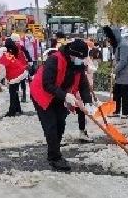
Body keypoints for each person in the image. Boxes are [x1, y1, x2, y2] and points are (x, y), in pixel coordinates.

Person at [30, 39, 95, 171]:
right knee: (51, 125)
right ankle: (54, 157)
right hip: (42, 93)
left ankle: (55, 150)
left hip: (60, 95)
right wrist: (65, 96)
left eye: (84, 58)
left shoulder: (78, 65)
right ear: (72, 54)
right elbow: (47, 84)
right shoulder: (54, 60)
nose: (82, 60)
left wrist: (88, 103)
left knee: (60, 123)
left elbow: (83, 86)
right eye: (80, 57)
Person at [103, 26, 128, 119]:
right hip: (120, 75)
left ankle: (126, 113)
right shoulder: (118, 44)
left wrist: (114, 71)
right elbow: (117, 59)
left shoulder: (123, 45)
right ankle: (116, 111)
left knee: (125, 95)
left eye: (110, 37)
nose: (109, 39)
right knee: (116, 93)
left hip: (126, 75)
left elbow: (123, 61)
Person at [0, 46, 28, 117]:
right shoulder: (4, 55)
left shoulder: (0, 61)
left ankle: (12, 112)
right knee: (14, 92)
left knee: (12, 93)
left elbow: (3, 74)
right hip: (20, 71)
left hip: (16, 75)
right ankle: (17, 109)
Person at [8, 34, 32, 102]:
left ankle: (17, 95)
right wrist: (30, 62)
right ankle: (23, 96)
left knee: (16, 83)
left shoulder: (11, 47)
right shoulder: (21, 47)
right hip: (23, 66)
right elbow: (27, 54)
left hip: (16, 67)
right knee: (22, 82)